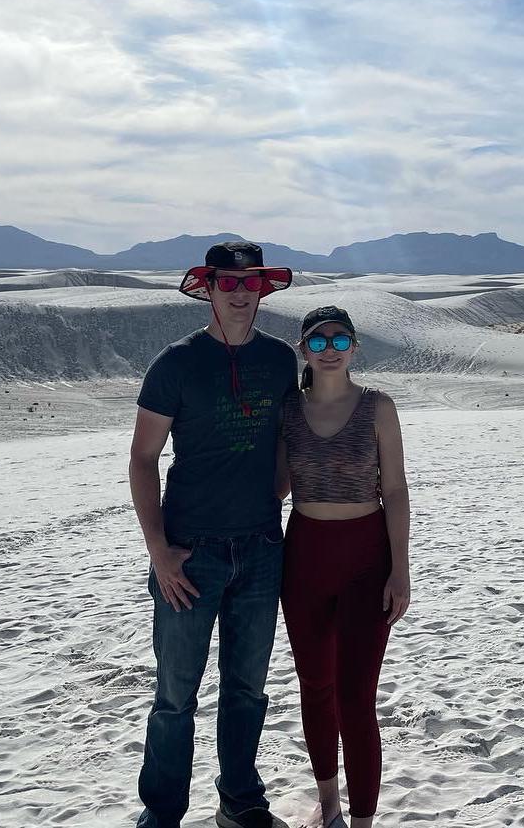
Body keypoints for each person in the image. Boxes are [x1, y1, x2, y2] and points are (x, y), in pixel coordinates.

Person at [129, 241, 297, 828]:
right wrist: (160, 553)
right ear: (207, 287)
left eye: (250, 282)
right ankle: (163, 810)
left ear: (263, 289)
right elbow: (144, 458)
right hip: (189, 554)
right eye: (229, 282)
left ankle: (240, 799)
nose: (241, 292)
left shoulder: (280, 361)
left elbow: (285, 437)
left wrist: (271, 496)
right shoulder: (176, 363)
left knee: (247, 689)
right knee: (175, 696)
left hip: (260, 548)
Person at [276, 305, 411, 828]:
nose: (329, 350)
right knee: (315, 686)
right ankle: (328, 803)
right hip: (305, 554)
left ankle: (362, 820)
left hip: (366, 555)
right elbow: (278, 486)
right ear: (304, 350)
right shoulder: (290, 409)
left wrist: (400, 570)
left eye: (339, 341)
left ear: (355, 349)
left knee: (356, 695)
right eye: (318, 341)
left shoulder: (378, 407)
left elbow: (396, 489)